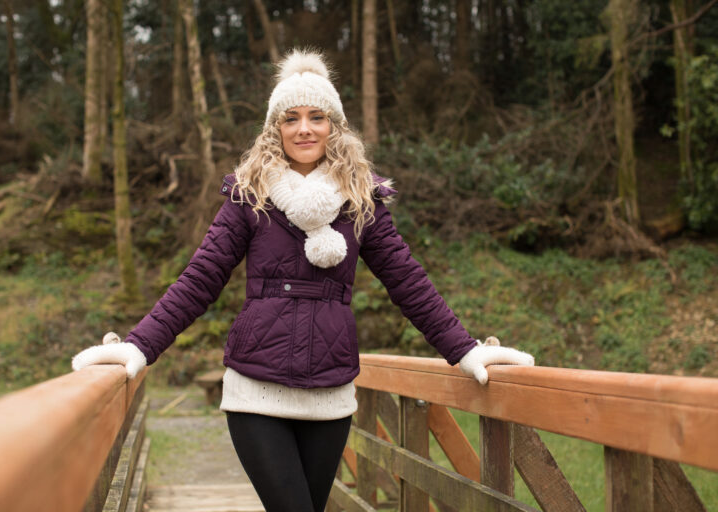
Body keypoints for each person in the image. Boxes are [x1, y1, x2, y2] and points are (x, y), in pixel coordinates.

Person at [72, 49, 534, 512]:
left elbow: (408, 281)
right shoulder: (248, 197)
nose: (304, 128)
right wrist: (140, 346)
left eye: (316, 116)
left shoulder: (361, 202)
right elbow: (200, 278)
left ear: (334, 125)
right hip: (256, 389)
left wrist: (465, 349)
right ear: (276, 128)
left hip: (329, 393)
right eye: (290, 118)